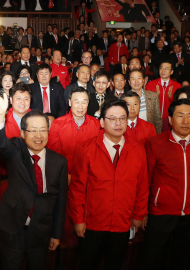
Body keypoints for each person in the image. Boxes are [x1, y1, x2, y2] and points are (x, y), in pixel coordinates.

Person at [0, 88, 68, 270]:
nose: (38, 136)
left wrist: (56, 234)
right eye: (32, 131)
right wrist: (1, 115)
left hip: (41, 230)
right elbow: (1, 145)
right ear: (23, 134)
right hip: (13, 228)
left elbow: (60, 201)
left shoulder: (59, 162)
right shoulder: (16, 149)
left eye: (43, 130)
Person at [69, 99, 148, 270]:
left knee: (115, 264)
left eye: (122, 118)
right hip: (93, 223)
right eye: (112, 118)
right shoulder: (87, 149)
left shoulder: (137, 150)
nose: (118, 123)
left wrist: (139, 214)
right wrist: (78, 219)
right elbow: (77, 188)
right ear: (102, 121)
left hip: (122, 222)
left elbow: (142, 187)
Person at [140, 98, 190, 270]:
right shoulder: (154, 143)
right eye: (180, 116)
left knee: (183, 261)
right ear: (170, 120)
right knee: (153, 260)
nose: (186, 121)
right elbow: (145, 179)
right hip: (160, 213)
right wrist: (142, 210)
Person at [48, 86, 101, 181]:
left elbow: (98, 154)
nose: (80, 106)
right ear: (69, 102)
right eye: (76, 102)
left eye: (84, 102)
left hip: (90, 176)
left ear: (88, 103)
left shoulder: (97, 125)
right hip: (64, 176)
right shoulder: (57, 124)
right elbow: (54, 154)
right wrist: (64, 174)